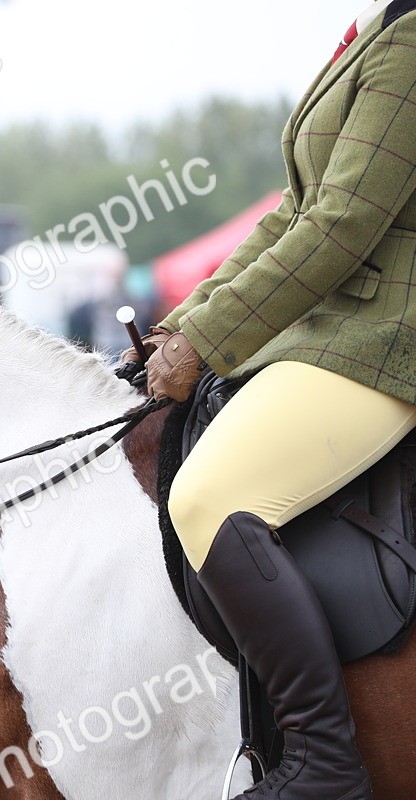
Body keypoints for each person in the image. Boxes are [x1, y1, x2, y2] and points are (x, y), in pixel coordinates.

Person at [124, 3, 416, 798]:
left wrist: (211, 340)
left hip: (387, 340)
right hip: (329, 330)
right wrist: (181, 327)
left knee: (212, 497)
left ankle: (326, 763)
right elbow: (293, 209)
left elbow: (344, 222)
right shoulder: (380, 29)